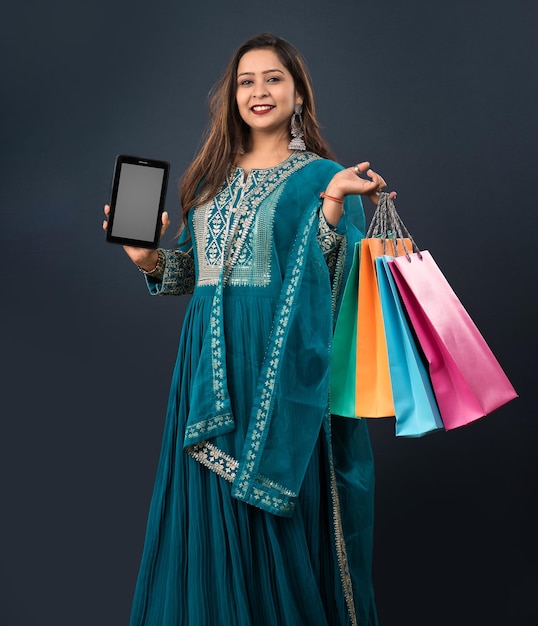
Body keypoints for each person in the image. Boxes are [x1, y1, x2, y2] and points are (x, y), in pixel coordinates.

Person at [104, 32, 394, 626]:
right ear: (231, 96)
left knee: (276, 527)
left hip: (280, 375)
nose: (259, 91)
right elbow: (192, 272)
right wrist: (148, 260)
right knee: (208, 525)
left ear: (298, 95)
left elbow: (340, 291)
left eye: (273, 79)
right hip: (206, 375)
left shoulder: (326, 177)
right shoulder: (209, 179)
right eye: (246, 81)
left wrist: (335, 206)